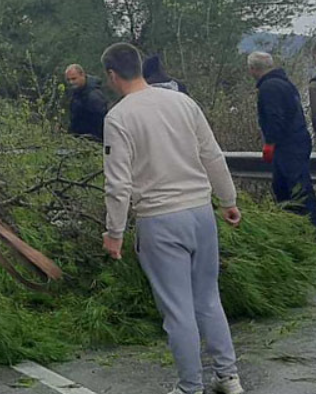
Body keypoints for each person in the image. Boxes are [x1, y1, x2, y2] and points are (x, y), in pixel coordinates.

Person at [100, 43, 244, 394]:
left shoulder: (119, 117)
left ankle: (189, 387)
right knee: (208, 298)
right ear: (140, 67)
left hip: (159, 218)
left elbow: (118, 183)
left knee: (177, 310)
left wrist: (114, 232)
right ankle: (229, 377)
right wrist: (228, 199)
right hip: (200, 212)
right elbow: (212, 154)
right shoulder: (183, 102)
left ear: (112, 75)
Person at [248, 51, 316, 225]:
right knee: (284, 188)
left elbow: (274, 118)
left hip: (287, 146)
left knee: (297, 190)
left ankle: (309, 227)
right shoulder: (284, 83)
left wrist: (270, 143)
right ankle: (293, 226)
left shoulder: (269, 88)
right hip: (297, 142)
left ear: (253, 69)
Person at [64, 64, 109, 141]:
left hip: (94, 142)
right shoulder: (77, 92)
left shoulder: (94, 96)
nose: (71, 82)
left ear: (82, 75)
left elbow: (101, 123)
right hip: (79, 140)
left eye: (74, 79)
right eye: (68, 80)